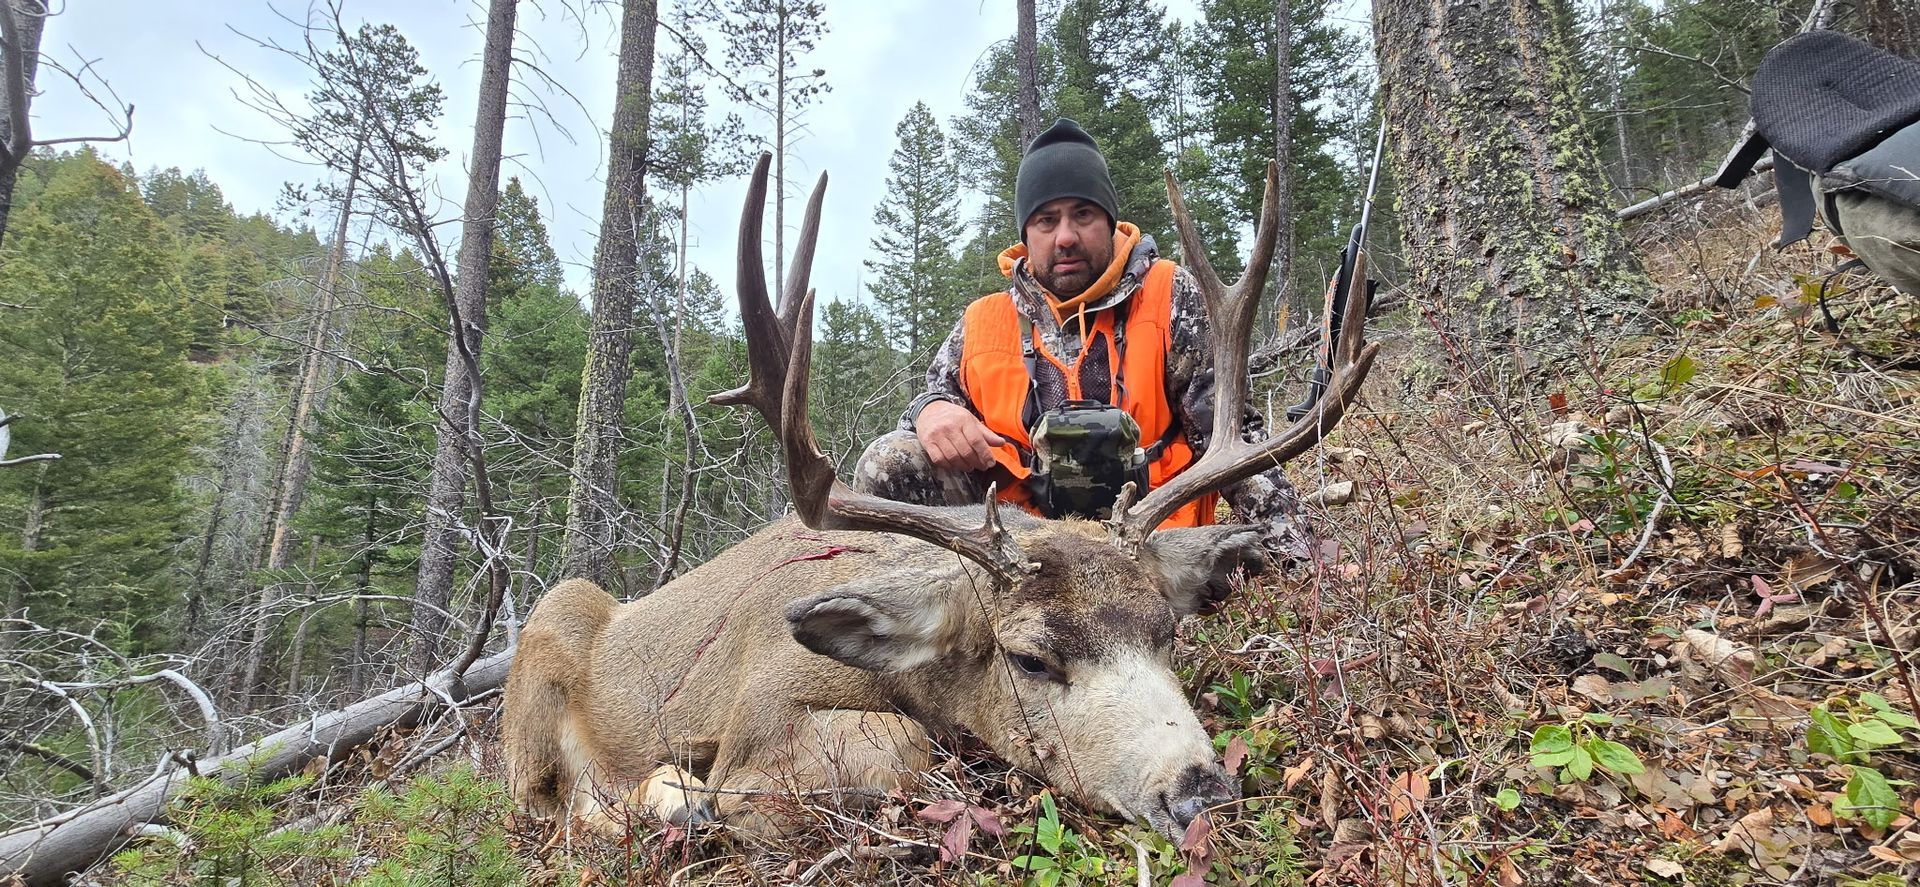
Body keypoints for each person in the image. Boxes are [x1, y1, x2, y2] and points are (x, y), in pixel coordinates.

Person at [852, 118, 1309, 561]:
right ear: (1026, 235)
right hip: (1021, 550)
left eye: (1083, 215)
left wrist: (1303, 560)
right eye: (1047, 220)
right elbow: (932, 402)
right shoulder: (984, 320)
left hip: (1150, 543)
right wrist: (932, 410)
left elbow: (1231, 434)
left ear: (1109, 221)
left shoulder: (1170, 294)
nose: (1065, 237)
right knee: (889, 461)